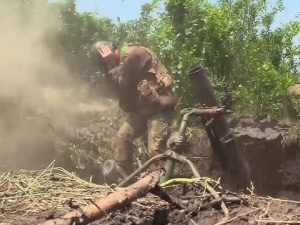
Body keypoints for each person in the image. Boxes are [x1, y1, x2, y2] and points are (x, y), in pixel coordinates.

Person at [90, 41, 178, 178]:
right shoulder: (123, 60)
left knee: (155, 152)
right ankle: (125, 180)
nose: (106, 67)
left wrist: (111, 64)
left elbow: (122, 87)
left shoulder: (131, 55)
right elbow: (116, 90)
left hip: (159, 106)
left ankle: (162, 187)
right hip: (143, 109)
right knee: (121, 139)